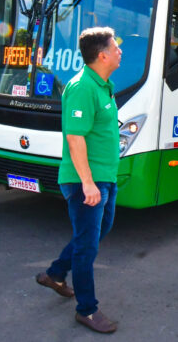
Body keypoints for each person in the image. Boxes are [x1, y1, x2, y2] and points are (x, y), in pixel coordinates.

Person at [36, 26, 122, 334]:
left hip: (104, 177)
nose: (119, 51)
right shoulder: (82, 87)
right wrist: (88, 183)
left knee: (99, 231)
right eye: (115, 48)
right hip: (87, 180)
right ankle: (87, 309)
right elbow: (75, 137)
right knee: (87, 246)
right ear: (102, 55)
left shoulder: (103, 85)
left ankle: (56, 274)